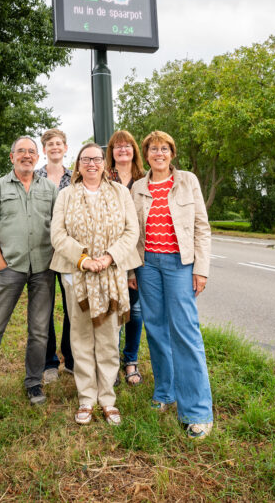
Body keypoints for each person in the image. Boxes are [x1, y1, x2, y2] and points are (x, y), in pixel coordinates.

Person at [50, 143, 142, 425]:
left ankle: (107, 399)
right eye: (85, 159)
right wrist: (84, 259)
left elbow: (131, 231)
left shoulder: (120, 192)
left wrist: (109, 257)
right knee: (80, 338)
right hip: (76, 274)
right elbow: (58, 233)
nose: (91, 163)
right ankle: (87, 398)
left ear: (105, 163)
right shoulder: (66, 195)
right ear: (78, 164)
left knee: (107, 339)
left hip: (111, 273)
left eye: (96, 159)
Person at [131, 130, 215, 439]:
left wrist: (201, 269)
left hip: (181, 264)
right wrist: (131, 269)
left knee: (185, 331)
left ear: (172, 153)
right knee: (154, 328)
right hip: (147, 264)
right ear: (147, 154)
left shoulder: (187, 181)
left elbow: (201, 227)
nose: (159, 153)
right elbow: (132, 232)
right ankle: (165, 392)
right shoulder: (138, 187)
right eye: (153, 149)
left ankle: (197, 411)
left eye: (164, 148)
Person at [0, 136, 58, 407]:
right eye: (21, 152)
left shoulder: (50, 189)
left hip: (43, 269)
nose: (27, 156)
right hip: (11, 268)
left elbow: (60, 227)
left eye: (31, 152)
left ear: (38, 157)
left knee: (39, 331)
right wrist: (1, 266)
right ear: (12, 157)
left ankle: (33, 382)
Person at [105, 130, 146, 387]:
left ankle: (130, 360)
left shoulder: (144, 179)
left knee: (136, 309)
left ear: (134, 151)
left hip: (141, 251)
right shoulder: (104, 178)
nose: (122, 150)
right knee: (114, 309)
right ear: (111, 151)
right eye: (117, 146)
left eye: (127, 146)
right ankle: (110, 363)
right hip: (113, 252)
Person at [34, 128, 74, 382]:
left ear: (65, 148)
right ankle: (49, 362)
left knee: (72, 306)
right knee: (44, 307)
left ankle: (71, 359)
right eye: (50, 144)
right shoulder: (35, 176)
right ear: (44, 149)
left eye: (59, 143)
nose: (55, 147)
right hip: (43, 249)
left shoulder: (76, 177)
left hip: (69, 251)